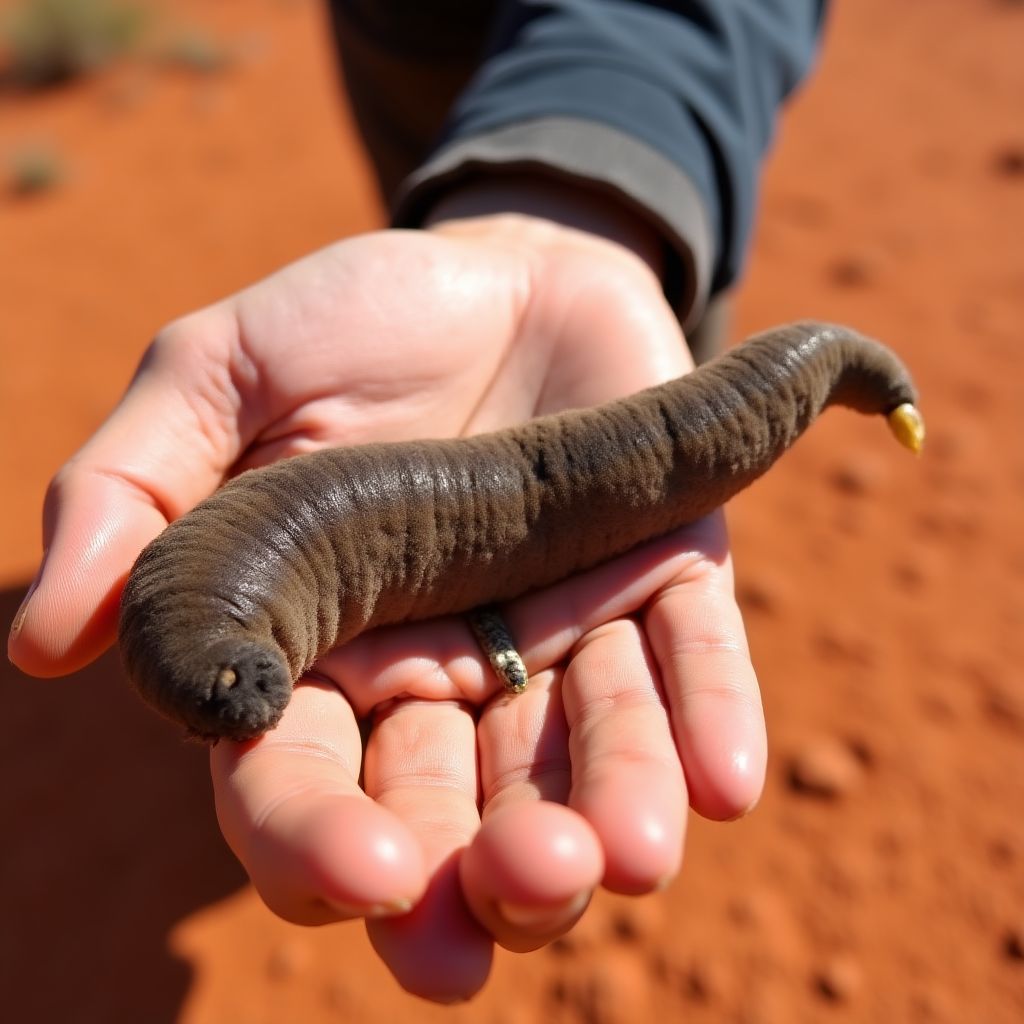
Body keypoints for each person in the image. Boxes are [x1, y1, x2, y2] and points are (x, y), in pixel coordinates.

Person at [8, 0, 829, 1004]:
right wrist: (530, 194)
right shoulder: (214, 622)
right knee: (432, 142)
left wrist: (601, 167)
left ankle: (660, 252)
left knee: (671, 388)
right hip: (400, 30)